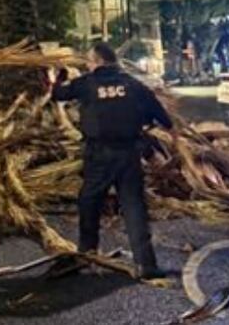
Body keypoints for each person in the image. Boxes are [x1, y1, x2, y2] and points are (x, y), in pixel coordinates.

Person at [47, 42, 174, 279]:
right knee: (134, 207)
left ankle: (87, 252)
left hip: (99, 155)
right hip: (128, 155)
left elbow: (57, 95)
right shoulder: (133, 85)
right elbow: (165, 120)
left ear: (98, 62)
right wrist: (145, 122)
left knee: (89, 202)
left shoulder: (86, 84)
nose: (87, 64)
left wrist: (58, 77)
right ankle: (146, 265)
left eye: (89, 60)